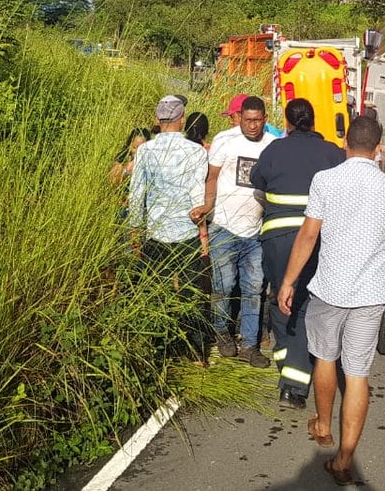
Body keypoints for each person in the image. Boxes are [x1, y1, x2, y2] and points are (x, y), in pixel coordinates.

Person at [278, 115, 385, 486]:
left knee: (325, 358)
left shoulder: (326, 180)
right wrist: (378, 280)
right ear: (379, 149)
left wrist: (288, 281)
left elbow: (308, 236)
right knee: (357, 373)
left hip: (329, 288)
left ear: (345, 144)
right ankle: (344, 459)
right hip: (370, 296)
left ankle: (323, 426)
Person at [250, 98, 344, 409]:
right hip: (316, 239)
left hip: (276, 239)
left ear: (287, 124)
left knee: (280, 298)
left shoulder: (274, 150)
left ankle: (286, 362)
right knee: (305, 306)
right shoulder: (332, 153)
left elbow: (256, 181)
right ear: (314, 121)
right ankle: (293, 385)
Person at [128, 94, 211, 365]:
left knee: (157, 293)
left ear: (157, 119)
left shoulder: (145, 151)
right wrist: (203, 235)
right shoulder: (196, 152)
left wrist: (134, 232)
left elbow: (136, 195)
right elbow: (197, 198)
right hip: (186, 232)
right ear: (182, 119)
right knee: (191, 293)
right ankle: (196, 353)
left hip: (155, 233)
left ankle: (159, 351)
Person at [194, 95, 274, 367]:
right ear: (240, 118)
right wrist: (207, 206)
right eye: (247, 120)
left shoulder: (272, 145)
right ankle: (222, 332)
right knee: (224, 286)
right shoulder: (225, 140)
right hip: (224, 226)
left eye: (257, 120)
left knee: (254, 288)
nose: (252, 125)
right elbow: (212, 176)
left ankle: (250, 345)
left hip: (255, 231)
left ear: (265, 119)